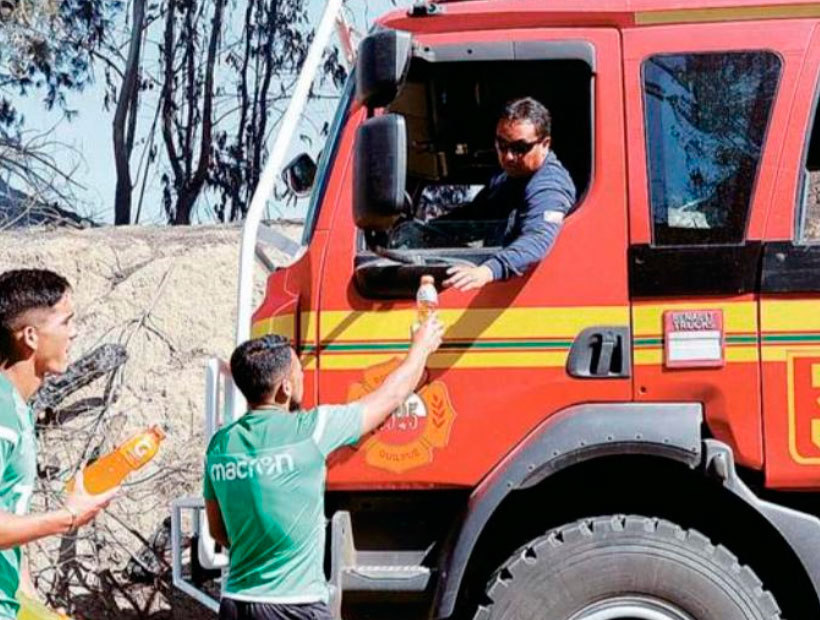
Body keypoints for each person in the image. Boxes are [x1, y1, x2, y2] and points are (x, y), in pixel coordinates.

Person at [204, 316, 444, 620]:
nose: (304, 376)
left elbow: (218, 531)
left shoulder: (220, 446)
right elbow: (389, 397)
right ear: (285, 389)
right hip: (296, 605)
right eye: (300, 372)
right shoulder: (311, 430)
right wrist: (421, 349)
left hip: (236, 604)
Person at [0, 269, 119, 618]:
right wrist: (69, 517)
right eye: (66, 322)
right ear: (31, 337)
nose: (75, 332)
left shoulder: (16, 408)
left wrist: (36, 607)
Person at [443, 97, 577, 291]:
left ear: (545, 144)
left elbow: (537, 239)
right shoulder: (508, 177)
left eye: (519, 148)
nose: (508, 156)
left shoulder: (550, 187)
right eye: (501, 145)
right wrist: (427, 232)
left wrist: (486, 272)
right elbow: (475, 217)